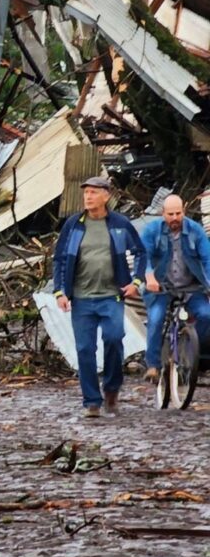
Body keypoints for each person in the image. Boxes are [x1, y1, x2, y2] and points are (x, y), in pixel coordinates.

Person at [53, 176, 146, 418]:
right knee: (85, 349)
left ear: (106, 195)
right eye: (86, 193)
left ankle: (112, 391)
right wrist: (59, 291)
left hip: (111, 296)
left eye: (94, 192)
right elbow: (60, 259)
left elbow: (140, 252)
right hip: (82, 299)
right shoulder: (74, 225)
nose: (88, 197)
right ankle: (92, 402)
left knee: (114, 339)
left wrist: (136, 281)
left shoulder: (119, 224)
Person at [140, 194, 210, 382]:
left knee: (206, 315)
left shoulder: (195, 231)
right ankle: (153, 365)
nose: (174, 218)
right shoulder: (152, 230)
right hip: (162, 287)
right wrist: (148, 276)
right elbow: (142, 256)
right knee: (156, 319)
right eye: (170, 214)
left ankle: (191, 353)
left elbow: (207, 258)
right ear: (163, 213)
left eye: (178, 213)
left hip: (191, 287)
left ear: (184, 211)